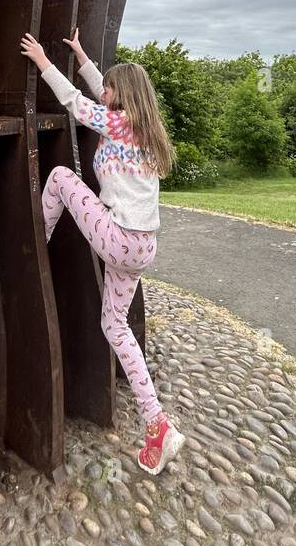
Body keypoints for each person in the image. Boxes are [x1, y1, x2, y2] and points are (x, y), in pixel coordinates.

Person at [19, 26, 186, 475]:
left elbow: (78, 104)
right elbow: (100, 93)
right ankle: (157, 426)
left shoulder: (117, 123)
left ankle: (33, 249)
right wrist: (82, 57)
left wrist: (44, 63)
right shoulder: (145, 129)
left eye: (111, 86)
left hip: (119, 238)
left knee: (58, 178)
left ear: (122, 95)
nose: (105, 90)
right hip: (143, 246)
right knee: (115, 326)